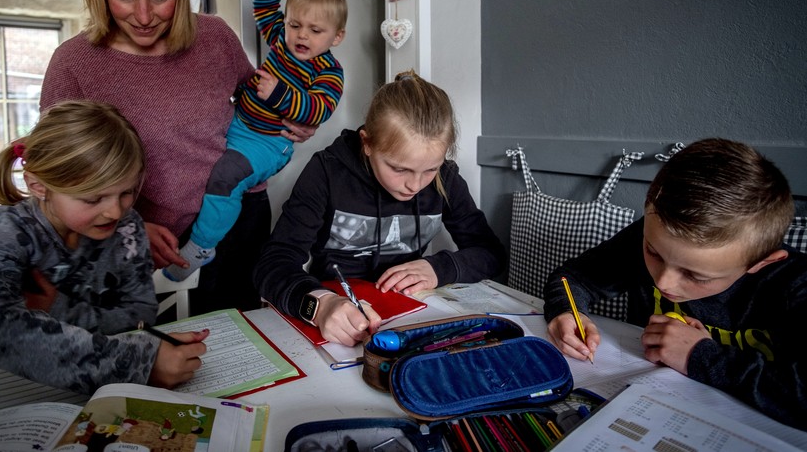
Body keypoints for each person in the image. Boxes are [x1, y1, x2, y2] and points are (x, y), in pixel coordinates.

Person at [40, 0, 316, 313]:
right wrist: (126, 227)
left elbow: (255, 101)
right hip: (135, 238)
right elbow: (58, 179)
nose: (144, 16)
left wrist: (297, 116)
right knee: (153, 361)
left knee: (240, 354)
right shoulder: (74, 64)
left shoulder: (214, 38)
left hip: (237, 223)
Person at [542, 138, 806, 429]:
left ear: (761, 263)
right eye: (653, 252)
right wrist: (566, 310)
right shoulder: (650, 234)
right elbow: (572, 278)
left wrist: (699, 355)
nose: (663, 281)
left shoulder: (795, 283)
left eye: (696, 276)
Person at [0, 101, 208, 394]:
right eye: (93, 199)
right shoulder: (4, 232)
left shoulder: (127, 226)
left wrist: (55, 308)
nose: (114, 212)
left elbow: (139, 315)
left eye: (126, 192)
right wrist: (136, 363)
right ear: (38, 186)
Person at [254, 70, 506, 346]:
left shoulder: (446, 177)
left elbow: (491, 253)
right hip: (338, 315)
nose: (415, 185)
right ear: (367, 143)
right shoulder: (327, 171)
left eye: (430, 170)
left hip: (409, 317)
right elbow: (272, 264)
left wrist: (440, 268)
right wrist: (320, 305)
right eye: (399, 168)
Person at [164, 0, 346, 281]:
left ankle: (202, 246)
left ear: (337, 37)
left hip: (268, 143)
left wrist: (278, 93)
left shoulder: (328, 71)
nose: (301, 35)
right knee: (203, 163)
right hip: (240, 122)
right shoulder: (280, 40)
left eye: (315, 31)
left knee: (226, 177)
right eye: (295, 25)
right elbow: (264, 7)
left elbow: (317, 109)